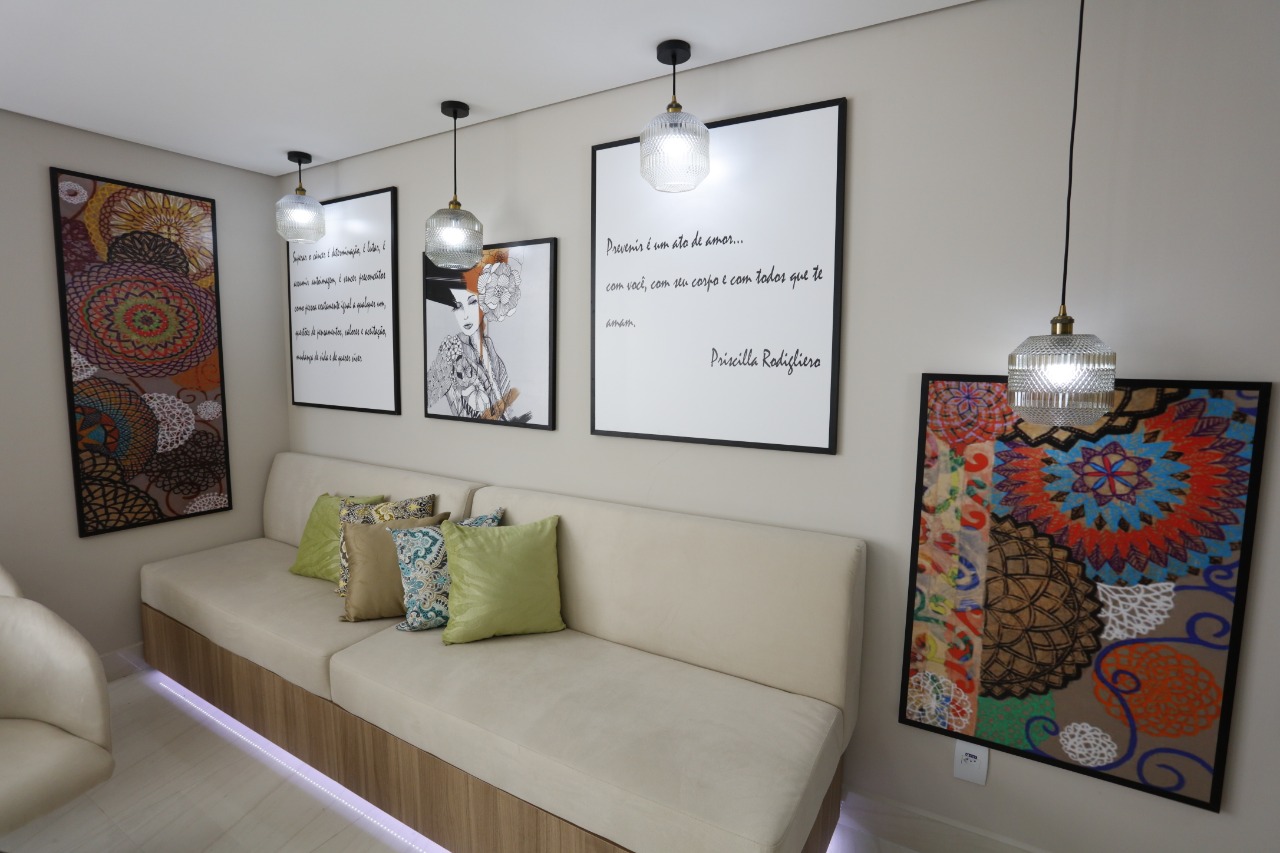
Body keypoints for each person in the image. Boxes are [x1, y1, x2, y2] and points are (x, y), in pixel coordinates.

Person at [425, 256, 530, 422]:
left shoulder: (489, 346)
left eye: (472, 302)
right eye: (457, 306)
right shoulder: (451, 348)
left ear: (485, 303)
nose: (465, 315)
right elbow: (427, 395)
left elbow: (508, 399)